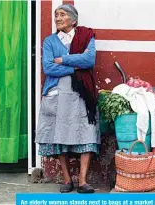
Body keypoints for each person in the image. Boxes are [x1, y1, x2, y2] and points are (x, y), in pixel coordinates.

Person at [35, 4, 100, 194]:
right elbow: (48, 68)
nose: (57, 18)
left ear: (73, 20)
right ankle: (66, 179)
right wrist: (75, 67)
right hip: (57, 94)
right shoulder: (50, 41)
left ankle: (82, 181)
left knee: (86, 132)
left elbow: (89, 61)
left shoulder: (86, 36)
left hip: (82, 94)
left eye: (62, 15)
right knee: (58, 135)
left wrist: (64, 59)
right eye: (56, 15)